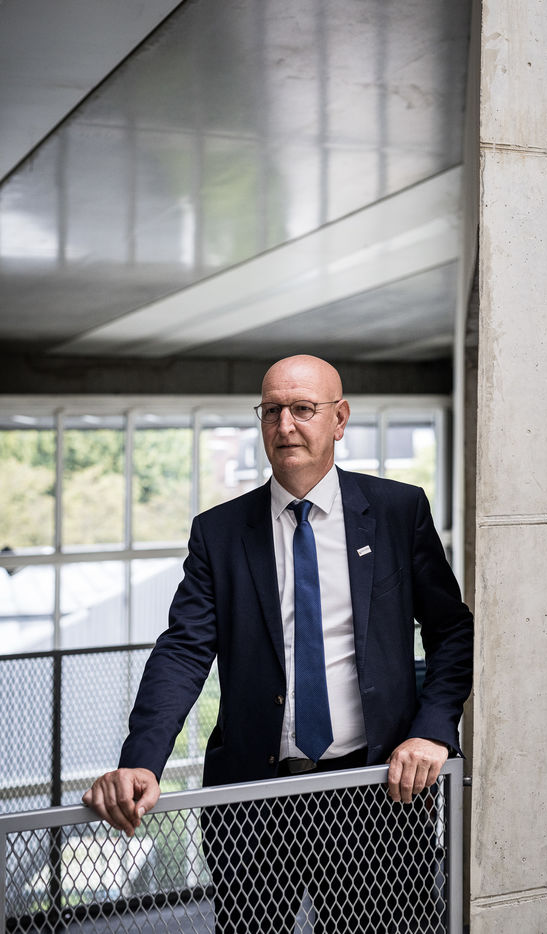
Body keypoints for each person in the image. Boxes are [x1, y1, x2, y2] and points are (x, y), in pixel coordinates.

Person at [83, 354, 473, 931]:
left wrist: (433, 730)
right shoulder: (218, 533)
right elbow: (184, 650)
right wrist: (142, 761)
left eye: (303, 409)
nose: (285, 425)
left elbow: (451, 629)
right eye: (271, 411)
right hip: (254, 805)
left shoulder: (398, 511)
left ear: (339, 419)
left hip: (377, 796)